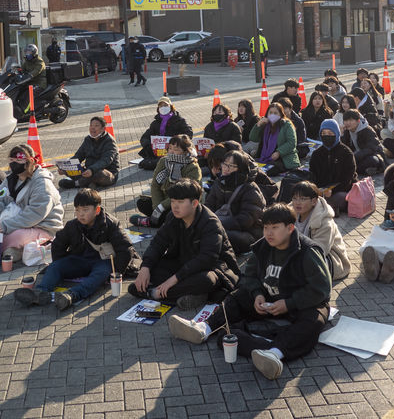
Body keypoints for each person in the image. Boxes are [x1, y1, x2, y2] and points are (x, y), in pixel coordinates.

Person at [167, 203, 331, 381]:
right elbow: (248, 277)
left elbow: (321, 289)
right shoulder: (263, 246)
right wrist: (257, 295)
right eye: (266, 227)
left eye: (275, 228)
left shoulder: (307, 251)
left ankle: (274, 354)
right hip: (268, 300)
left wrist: (289, 303)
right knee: (237, 297)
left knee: (314, 320)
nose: (268, 233)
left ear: (290, 228)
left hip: (299, 304)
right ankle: (203, 328)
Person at [14, 189, 138, 310]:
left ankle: (71, 295)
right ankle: (40, 293)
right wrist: (62, 264)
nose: (81, 214)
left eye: (85, 210)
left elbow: (126, 249)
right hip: (81, 259)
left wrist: (116, 273)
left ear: (97, 210)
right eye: (77, 210)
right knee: (55, 266)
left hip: (103, 261)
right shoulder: (72, 225)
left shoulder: (111, 224)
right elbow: (58, 244)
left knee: (100, 274)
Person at [129, 179, 240, 309]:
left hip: (213, 269)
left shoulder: (210, 223)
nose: (175, 206)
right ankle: (193, 295)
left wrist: (174, 279)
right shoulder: (173, 217)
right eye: (173, 201)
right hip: (183, 264)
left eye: (180, 202)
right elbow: (158, 243)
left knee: (207, 280)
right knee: (148, 274)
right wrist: (145, 267)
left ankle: (155, 294)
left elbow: (207, 259)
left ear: (194, 203)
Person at [0, 145, 64, 262]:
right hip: (17, 221)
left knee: (16, 236)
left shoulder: (42, 184)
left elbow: (35, 214)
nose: (14, 163)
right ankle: (9, 251)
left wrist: (6, 226)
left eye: (19, 160)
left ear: (29, 161)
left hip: (42, 226)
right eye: (12, 160)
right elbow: (1, 198)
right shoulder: (10, 179)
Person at [131, 134, 201, 228]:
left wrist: (162, 206)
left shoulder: (192, 167)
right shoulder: (164, 161)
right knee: (142, 203)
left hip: (182, 203)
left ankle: (152, 222)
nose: (171, 152)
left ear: (185, 151)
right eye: (170, 148)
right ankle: (161, 221)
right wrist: (157, 207)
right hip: (164, 202)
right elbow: (155, 185)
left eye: (176, 150)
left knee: (174, 214)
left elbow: (186, 193)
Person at [204, 150, 266, 254]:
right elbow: (208, 206)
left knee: (219, 235)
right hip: (221, 224)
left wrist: (217, 224)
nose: (226, 169)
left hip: (249, 233)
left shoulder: (250, 188)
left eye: (232, 166)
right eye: (225, 164)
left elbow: (247, 219)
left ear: (240, 168)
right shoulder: (218, 183)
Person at [290, 181, 351, 281]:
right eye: (295, 198)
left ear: (314, 201)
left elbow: (319, 251)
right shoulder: (290, 213)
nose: (297, 202)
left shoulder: (325, 222)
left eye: (302, 199)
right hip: (298, 253)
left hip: (328, 258)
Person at [309, 119, 357, 215]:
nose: (327, 136)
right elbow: (312, 174)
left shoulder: (346, 152)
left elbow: (348, 178)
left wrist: (333, 190)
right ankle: (327, 208)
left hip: (341, 190)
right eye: (324, 133)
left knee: (339, 198)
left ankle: (327, 208)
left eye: (330, 133)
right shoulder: (316, 154)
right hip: (321, 191)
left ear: (337, 134)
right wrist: (316, 189)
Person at [58, 117, 119, 189]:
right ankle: (90, 183)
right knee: (71, 168)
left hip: (106, 174)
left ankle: (76, 183)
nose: (92, 128)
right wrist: (65, 167)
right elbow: (78, 156)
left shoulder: (109, 141)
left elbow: (106, 160)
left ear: (103, 129)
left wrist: (92, 170)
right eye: (91, 125)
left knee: (98, 173)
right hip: (88, 171)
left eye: (96, 126)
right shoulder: (88, 139)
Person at [137, 97, 193, 170]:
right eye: (161, 106)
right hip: (159, 151)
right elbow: (145, 137)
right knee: (146, 163)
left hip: (174, 150)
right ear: (158, 109)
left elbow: (189, 133)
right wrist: (150, 145)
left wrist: (177, 141)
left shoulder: (180, 121)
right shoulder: (155, 123)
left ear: (171, 107)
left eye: (165, 105)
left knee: (152, 164)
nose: (163, 108)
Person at [248, 102, 300, 176]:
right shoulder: (265, 124)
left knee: (267, 171)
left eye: (276, 113)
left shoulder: (286, 125)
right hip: (265, 157)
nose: (273, 115)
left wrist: (279, 152)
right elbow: (253, 138)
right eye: (271, 113)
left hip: (282, 158)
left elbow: (292, 143)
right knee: (251, 167)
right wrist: (258, 125)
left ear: (281, 114)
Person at [340, 109, 386, 176]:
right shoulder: (347, 131)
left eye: (351, 120)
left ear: (358, 121)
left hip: (372, 155)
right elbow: (344, 148)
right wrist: (341, 135)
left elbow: (371, 149)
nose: (348, 123)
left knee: (373, 160)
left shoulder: (367, 130)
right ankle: (363, 170)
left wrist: (353, 157)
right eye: (346, 121)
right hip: (357, 156)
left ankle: (352, 170)